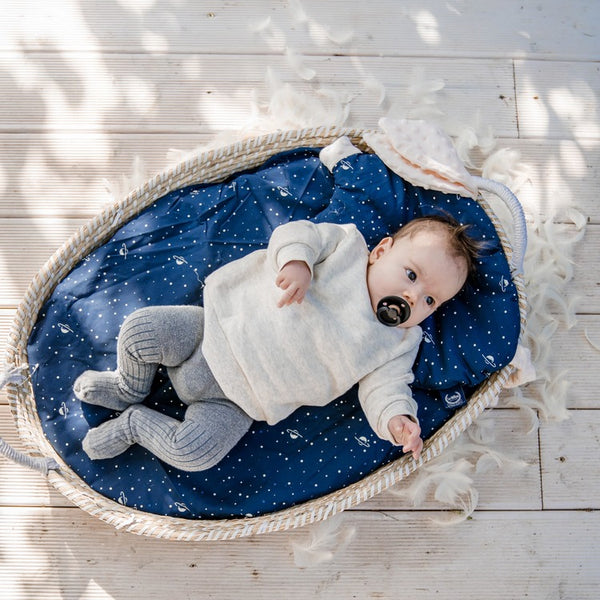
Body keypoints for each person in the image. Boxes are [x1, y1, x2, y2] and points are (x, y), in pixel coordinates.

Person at [74, 141, 481, 472]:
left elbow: (385, 389)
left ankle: (133, 425)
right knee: (141, 330)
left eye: (431, 299)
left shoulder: (398, 342)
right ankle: (129, 386)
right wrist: (298, 261)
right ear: (381, 251)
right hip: (213, 330)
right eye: (411, 275)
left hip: (241, 402)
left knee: (194, 454)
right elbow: (297, 232)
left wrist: (397, 421)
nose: (414, 298)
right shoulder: (346, 248)